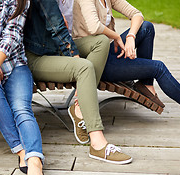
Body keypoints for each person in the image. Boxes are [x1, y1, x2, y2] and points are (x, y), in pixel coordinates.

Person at [70, 0, 180, 120]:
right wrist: (117, 36)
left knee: (147, 27)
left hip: (109, 50)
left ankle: (146, 84)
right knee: (158, 67)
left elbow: (137, 14)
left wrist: (131, 36)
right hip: (96, 61)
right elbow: (94, 27)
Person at [24, 0, 133, 165]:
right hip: (37, 55)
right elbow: (56, 25)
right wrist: (74, 57)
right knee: (84, 67)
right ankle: (97, 143)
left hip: (53, 46)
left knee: (101, 41)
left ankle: (79, 108)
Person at [0, 0, 45, 175]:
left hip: (13, 63)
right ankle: (23, 152)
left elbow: (12, 36)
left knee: (22, 108)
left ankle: (35, 162)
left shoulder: (18, 1)